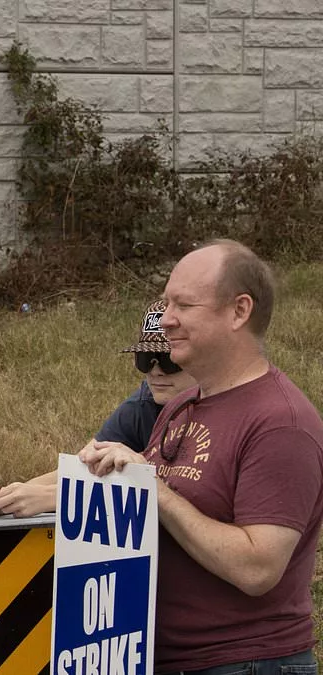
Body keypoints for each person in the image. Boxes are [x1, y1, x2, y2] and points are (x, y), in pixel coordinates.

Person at [81, 240, 323, 674]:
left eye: (185, 305)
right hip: (165, 657)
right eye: (168, 303)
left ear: (239, 311)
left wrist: (158, 493)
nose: (168, 320)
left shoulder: (281, 423)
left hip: (244, 662)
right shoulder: (181, 403)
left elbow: (257, 568)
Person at [0, 299, 197, 518]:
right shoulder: (143, 405)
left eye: (168, 360)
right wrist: (4, 497)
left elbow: (189, 500)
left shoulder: (223, 412)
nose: (155, 372)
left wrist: (60, 497)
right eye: (145, 359)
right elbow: (84, 467)